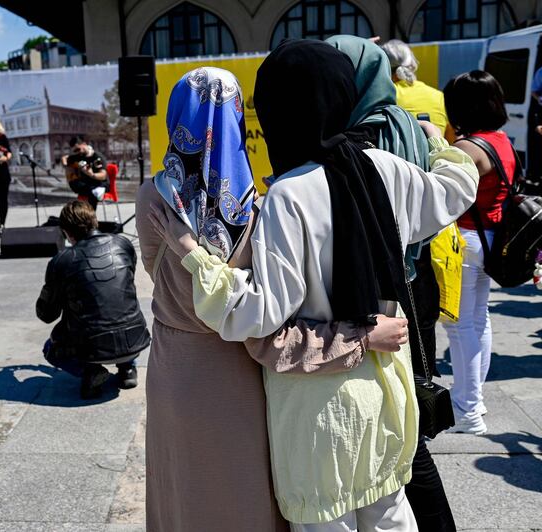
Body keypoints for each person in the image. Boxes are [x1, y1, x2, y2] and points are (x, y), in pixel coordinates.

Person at [150, 40, 479, 530]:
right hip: (387, 389)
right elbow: (457, 188)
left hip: (316, 411)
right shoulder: (384, 168)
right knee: (391, 515)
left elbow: (254, 315)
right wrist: (432, 139)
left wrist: (193, 254)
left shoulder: (287, 194)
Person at [327, 35, 457, 532]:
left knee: (404, 428)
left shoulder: (362, 133)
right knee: (401, 417)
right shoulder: (408, 123)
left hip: (382, 286)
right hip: (414, 273)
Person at [442, 70, 514, 435]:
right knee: (478, 321)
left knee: (459, 327)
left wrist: (437, 143)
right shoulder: (502, 141)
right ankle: (474, 400)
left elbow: (441, 187)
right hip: (491, 237)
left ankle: (468, 410)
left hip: (467, 241)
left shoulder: (468, 148)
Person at [36, 200, 150, 399]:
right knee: (115, 307)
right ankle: (127, 369)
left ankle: (91, 372)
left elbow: (46, 314)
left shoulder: (62, 260)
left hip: (95, 345)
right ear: (95, 221)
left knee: (50, 348)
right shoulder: (122, 244)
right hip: (135, 337)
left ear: (66, 232)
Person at [381, 39, 450, 137]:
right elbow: (450, 140)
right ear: (412, 63)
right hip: (437, 151)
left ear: (383, 66)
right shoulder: (439, 96)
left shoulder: (385, 96)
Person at [61, 135, 107, 210]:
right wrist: (64, 163)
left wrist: (92, 174)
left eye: (78, 149)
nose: (78, 153)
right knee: (75, 184)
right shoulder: (78, 156)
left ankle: (90, 216)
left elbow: (103, 175)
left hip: (99, 183)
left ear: (84, 144)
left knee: (92, 193)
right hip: (86, 184)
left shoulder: (96, 157)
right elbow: (66, 159)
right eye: (75, 151)